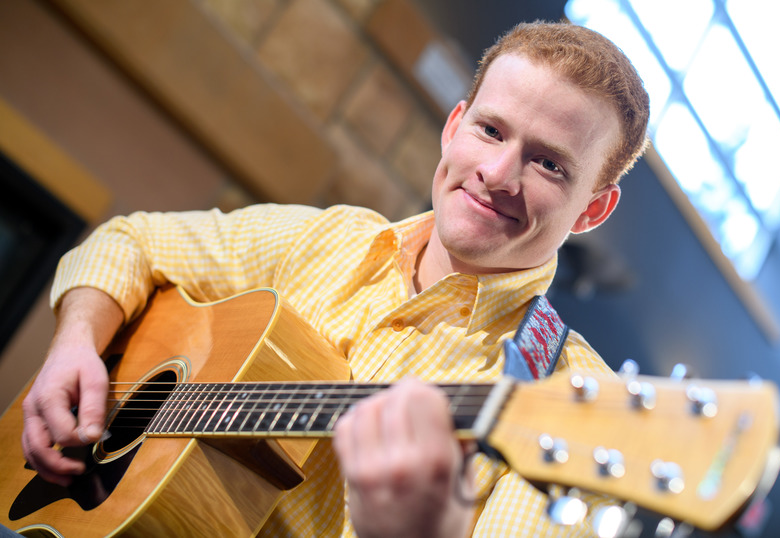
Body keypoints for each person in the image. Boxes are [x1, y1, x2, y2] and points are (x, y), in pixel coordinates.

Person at [19, 20, 649, 537]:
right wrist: (76, 340)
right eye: (490, 130)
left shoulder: (572, 412)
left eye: (548, 164)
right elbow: (133, 239)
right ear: (455, 127)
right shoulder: (333, 239)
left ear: (592, 208)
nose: (497, 173)